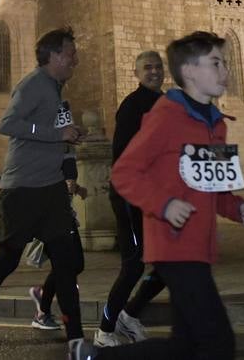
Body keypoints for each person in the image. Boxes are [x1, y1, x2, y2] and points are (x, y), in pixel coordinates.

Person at [69, 31, 244, 360]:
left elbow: (213, 186)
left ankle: (95, 357)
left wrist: (236, 207)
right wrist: (165, 204)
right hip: (174, 247)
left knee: (184, 347)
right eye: (215, 63)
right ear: (189, 72)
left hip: (201, 247)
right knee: (218, 344)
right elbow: (124, 172)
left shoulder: (216, 123)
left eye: (224, 62)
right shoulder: (166, 115)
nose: (225, 71)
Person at [0, 27, 86, 360]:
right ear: (54, 55)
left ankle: (77, 343)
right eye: (70, 52)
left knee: (67, 264)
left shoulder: (59, 92)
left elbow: (65, 142)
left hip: (52, 191)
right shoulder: (33, 85)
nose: (75, 58)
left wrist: (69, 170)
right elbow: (8, 124)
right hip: (22, 190)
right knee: (5, 262)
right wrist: (54, 134)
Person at [93, 49, 168, 347]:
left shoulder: (167, 105)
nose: (154, 72)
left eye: (157, 67)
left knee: (167, 263)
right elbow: (122, 155)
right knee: (134, 264)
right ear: (136, 74)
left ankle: (130, 314)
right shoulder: (132, 106)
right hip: (131, 196)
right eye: (147, 68)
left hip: (157, 198)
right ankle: (103, 331)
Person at [29, 153, 89, 331]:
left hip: (62, 216)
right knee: (70, 266)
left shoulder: (65, 150)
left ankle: (42, 300)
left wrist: (76, 188)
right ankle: (47, 313)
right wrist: (68, 186)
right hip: (54, 217)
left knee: (73, 265)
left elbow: (65, 180)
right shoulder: (53, 147)